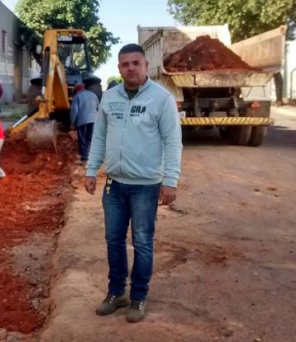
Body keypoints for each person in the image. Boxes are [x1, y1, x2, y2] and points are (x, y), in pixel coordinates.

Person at [85, 44, 182, 323]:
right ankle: (116, 293)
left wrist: (170, 180)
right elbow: (100, 137)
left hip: (146, 186)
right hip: (114, 185)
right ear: (118, 68)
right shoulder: (110, 97)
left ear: (145, 65)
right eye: (125, 64)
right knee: (113, 241)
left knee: (142, 243)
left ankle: (138, 297)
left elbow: (173, 142)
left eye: (135, 63)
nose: (130, 68)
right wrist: (91, 170)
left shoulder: (161, 99)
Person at [70, 84, 99, 165]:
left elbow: (74, 111)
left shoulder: (77, 96)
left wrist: (72, 123)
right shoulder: (93, 95)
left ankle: (84, 158)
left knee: (82, 139)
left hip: (82, 121)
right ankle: (88, 154)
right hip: (94, 120)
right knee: (89, 138)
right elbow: (98, 107)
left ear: (76, 90)